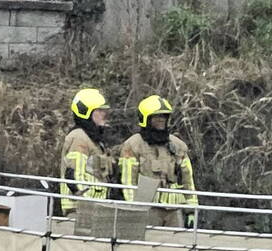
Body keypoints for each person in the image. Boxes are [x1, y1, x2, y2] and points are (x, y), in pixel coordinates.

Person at [119, 94, 197, 228]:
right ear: (146, 119)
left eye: (164, 116)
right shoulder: (132, 145)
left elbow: (188, 182)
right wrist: (134, 211)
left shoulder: (178, 146)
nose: (161, 120)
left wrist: (192, 211)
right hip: (147, 210)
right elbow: (128, 183)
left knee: (176, 245)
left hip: (174, 211)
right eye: (157, 116)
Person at [60, 88, 114, 215]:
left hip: (95, 208)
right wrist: (87, 203)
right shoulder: (80, 138)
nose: (104, 114)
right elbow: (74, 175)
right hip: (81, 210)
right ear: (86, 112)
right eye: (99, 111)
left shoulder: (94, 140)